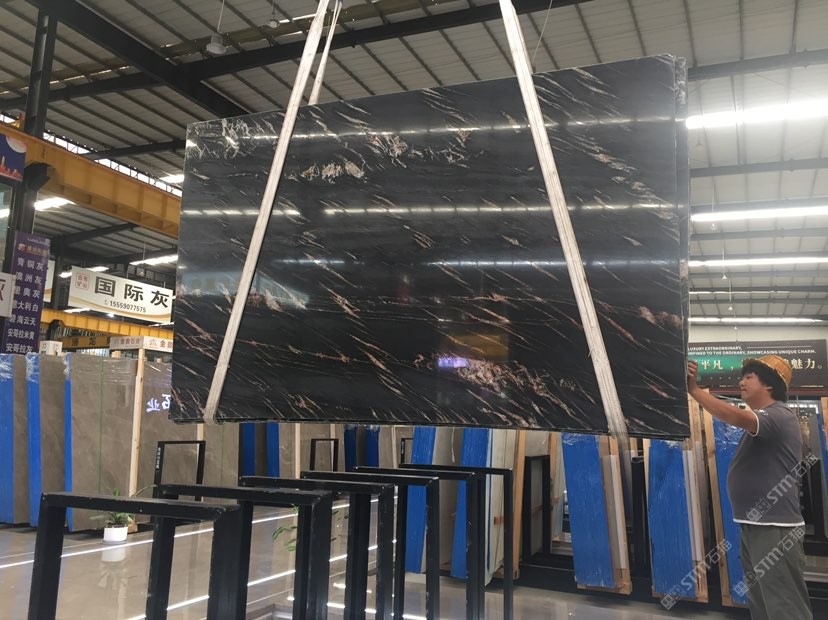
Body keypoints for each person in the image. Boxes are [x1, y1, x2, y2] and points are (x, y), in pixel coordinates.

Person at [687, 355, 812, 620]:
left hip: (775, 528)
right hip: (756, 524)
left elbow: (737, 417)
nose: (741, 382)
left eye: (748, 377)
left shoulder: (779, 414)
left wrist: (695, 391)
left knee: (783, 604)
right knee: (762, 601)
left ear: (769, 385)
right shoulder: (765, 421)